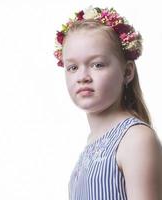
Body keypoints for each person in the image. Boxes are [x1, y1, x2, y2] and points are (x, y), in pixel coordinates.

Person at [54, 6, 162, 200]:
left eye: (97, 65)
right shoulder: (91, 143)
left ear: (127, 72)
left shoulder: (135, 139)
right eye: (72, 67)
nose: (82, 77)